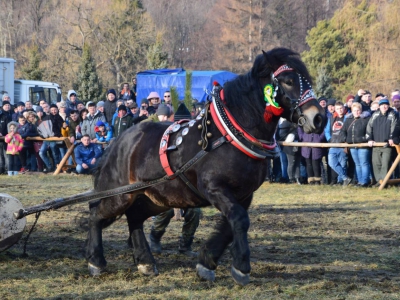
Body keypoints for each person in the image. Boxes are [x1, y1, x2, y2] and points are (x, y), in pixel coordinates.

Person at [148, 103, 200, 256]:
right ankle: (155, 238)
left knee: (194, 212)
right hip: (165, 185)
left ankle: (185, 246)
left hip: (187, 187)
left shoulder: (194, 142)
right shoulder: (165, 140)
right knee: (166, 211)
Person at [366, 98, 400, 186]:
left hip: (387, 145)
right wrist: (369, 139)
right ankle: (379, 181)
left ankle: (383, 182)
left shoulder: (392, 115)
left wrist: (391, 138)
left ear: (388, 106)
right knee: (376, 164)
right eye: (382, 105)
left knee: (385, 164)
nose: (384, 106)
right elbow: (369, 127)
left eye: (386, 105)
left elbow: (394, 127)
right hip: (376, 145)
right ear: (379, 106)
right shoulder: (375, 115)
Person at [340, 102, 371, 187]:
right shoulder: (348, 120)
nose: (356, 112)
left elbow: (369, 131)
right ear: (352, 111)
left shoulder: (366, 119)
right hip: (352, 145)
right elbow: (343, 131)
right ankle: (360, 181)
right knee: (357, 164)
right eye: (354, 110)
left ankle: (365, 181)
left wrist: (365, 139)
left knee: (364, 163)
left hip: (363, 145)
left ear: (361, 110)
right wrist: (345, 139)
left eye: (358, 110)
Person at [326, 101, 352, 186]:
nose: (340, 110)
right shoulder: (331, 118)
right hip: (333, 144)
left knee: (343, 164)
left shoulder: (348, 118)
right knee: (331, 162)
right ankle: (345, 178)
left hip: (343, 145)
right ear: (335, 109)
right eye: (338, 109)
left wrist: (345, 140)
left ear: (344, 108)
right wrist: (330, 139)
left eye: (341, 108)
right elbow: (326, 131)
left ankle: (341, 181)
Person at [0, 100, 13, 174]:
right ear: (3, 106)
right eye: (6, 105)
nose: (7, 107)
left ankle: (7, 169)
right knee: (0, 155)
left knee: (6, 154)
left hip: (8, 138)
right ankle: (1, 169)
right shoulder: (1, 115)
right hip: (1, 138)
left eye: (8, 105)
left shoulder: (11, 115)